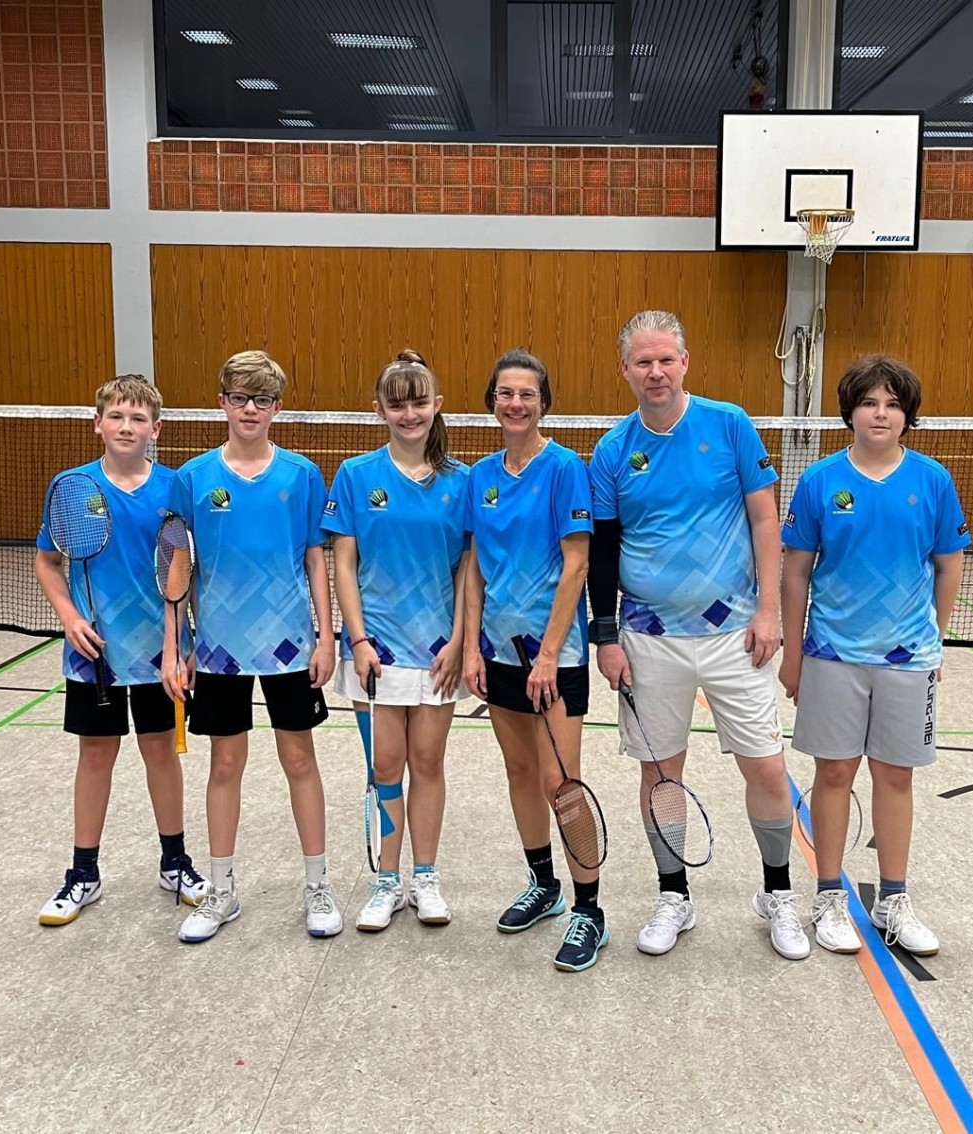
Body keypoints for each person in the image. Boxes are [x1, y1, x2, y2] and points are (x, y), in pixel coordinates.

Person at [588, 309, 807, 961]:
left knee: (766, 766)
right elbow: (603, 549)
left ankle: (777, 893)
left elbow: (766, 523)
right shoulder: (610, 450)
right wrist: (607, 635)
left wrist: (770, 612)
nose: (655, 372)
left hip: (735, 633)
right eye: (642, 362)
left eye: (666, 359)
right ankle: (673, 895)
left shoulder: (729, 425)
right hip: (648, 637)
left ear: (685, 362)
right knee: (661, 772)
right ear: (626, 369)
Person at [779, 354, 968, 956]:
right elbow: (795, 572)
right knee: (833, 773)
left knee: (895, 776)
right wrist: (791, 653)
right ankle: (829, 896)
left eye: (892, 404)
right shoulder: (819, 482)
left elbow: (949, 564)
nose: (880, 413)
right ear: (851, 413)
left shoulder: (933, 481)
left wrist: (935, 637)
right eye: (869, 402)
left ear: (907, 416)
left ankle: (892, 900)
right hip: (832, 653)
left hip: (908, 659)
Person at [166, 350, 341, 944]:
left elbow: (316, 556)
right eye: (239, 397)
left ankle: (317, 884)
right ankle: (221, 890)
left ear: (277, 408)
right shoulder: (192, 478)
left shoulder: (301, 475)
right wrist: (180, 643)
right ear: (221, 401)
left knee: (299, 760)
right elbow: (177, 564)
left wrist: (326, 633)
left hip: (291, 646)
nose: (250, 409)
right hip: (218, 649)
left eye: (261, 399)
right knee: (225, 764)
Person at [34, 375, 208, 926]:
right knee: (95, 756)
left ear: (155, 429)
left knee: (161, 751)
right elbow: (48, 561)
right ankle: (83, 872)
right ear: (98, 423)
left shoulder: (174, 488)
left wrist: (178, 646)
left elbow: (181, 571)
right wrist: (68, 618)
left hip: (159, 653)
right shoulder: (73, 486)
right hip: (97, 656)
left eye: (138, 418)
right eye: (116, 416)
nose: (126, 426)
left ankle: (175, 862)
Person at [462, 349, 607, 972]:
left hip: (557, 657)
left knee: (560, 783)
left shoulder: (565, 469)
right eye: (504, 393)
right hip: (497, 651)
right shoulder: (480, 476)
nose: (515, 403)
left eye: (526, 393)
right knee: (520, 772)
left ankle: (589, 910)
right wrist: (470, 644)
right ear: (492, 401)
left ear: (544, 402)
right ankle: (544, 885)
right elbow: (472, 565)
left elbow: (577, 563)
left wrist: (549, 655)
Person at [324, 350, 469, 932]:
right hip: (375, 652)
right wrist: (356, 640)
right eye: (397, 403)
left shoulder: (461, 482)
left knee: (428, 761)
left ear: (436, 405)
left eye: (419, 401)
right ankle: (386, 880)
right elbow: (343, 564)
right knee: (384, 765)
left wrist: (459, 640)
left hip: (437, 649)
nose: (409, 413)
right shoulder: (357, 476)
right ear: (379, 409)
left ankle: (425, 876)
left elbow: (468, 571)